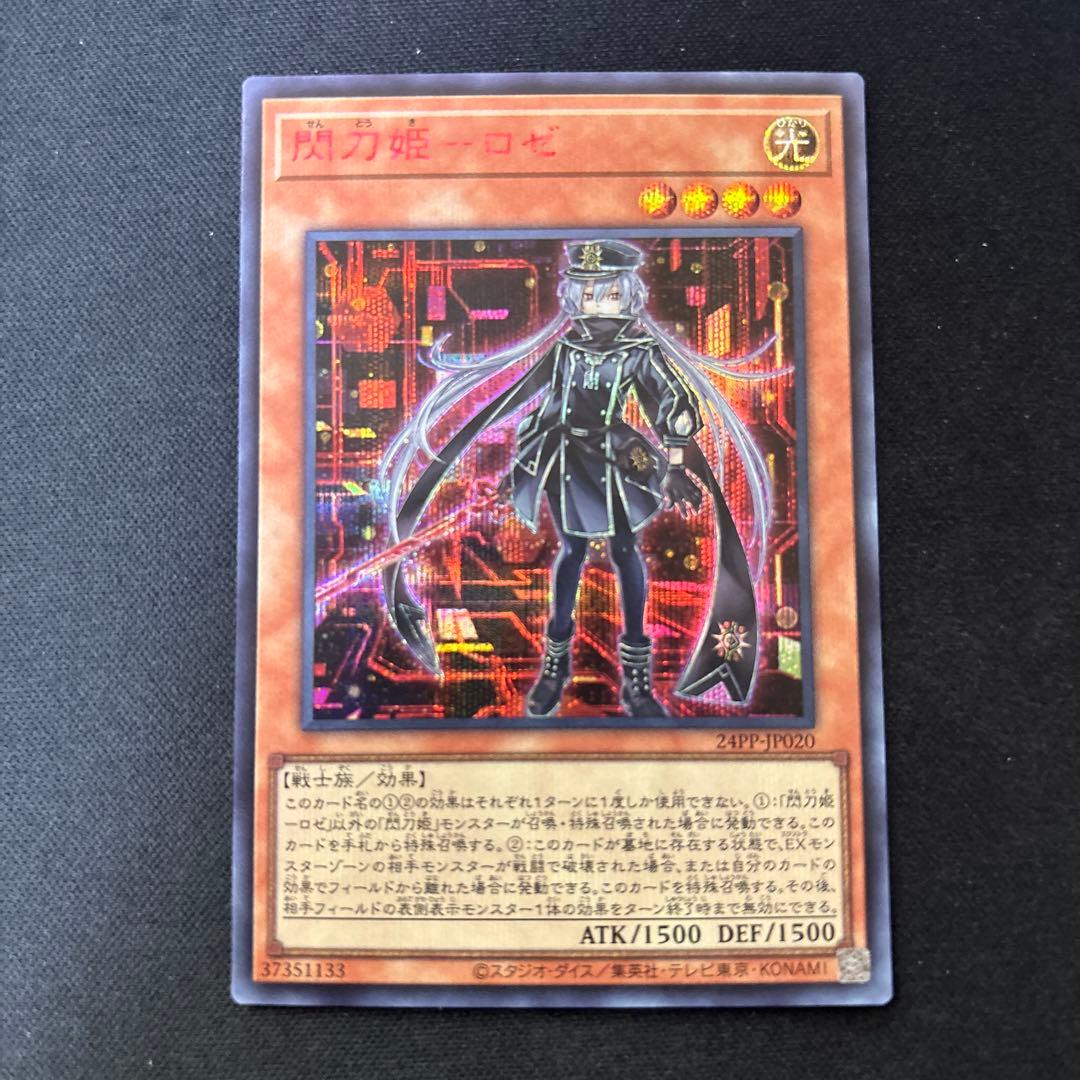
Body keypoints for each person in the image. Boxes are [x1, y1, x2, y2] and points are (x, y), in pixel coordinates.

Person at [380, 239, 778, 718]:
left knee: (625, 550)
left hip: (618, 459)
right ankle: (554, 668)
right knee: (571, 551)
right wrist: (517, 472)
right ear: (574, 296)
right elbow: (538, 408)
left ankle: (635, 681)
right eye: (589, 294)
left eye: (609, 293)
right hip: (567, 459)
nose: (598, 303)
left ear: (628, 295)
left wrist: (675, 464)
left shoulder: (638, 351)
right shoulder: (566, 349)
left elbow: (672, 404)